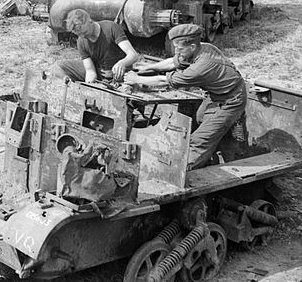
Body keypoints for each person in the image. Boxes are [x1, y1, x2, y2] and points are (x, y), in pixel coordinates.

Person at [124, 24, 247, 170]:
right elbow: (172, 62)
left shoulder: (201, 66)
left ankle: (181, 172)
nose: (177, 51)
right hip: (217, 93)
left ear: (193, 46)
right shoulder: (201, 48)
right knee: (200, 120)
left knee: (199, 140)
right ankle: (222, 133)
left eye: (180, 49)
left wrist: (136, 79)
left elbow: (165, 81)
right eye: (175, 47)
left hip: (232, 99)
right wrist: (148, 67)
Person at [53, 9, 140, 82]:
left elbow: (133, 55)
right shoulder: (81, 41)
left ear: (90, 22)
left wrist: (122, 63)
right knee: (58, 66)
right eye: (80, 35)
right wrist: (89, 84)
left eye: (85, 33)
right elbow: (90, 70)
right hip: (100, 74)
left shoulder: (111, 28)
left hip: (121, 74)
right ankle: (69, 82)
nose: (83, 37)